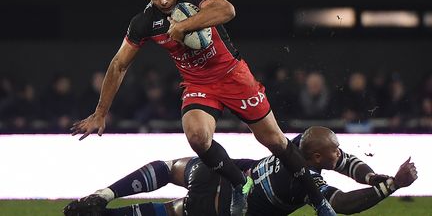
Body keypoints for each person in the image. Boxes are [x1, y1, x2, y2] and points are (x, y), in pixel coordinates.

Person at [69, 0, 334, 215]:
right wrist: (100, 113)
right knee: (197, 137)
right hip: (198, 84)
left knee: (275, 142)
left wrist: (185, 26)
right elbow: (119, 64)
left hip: (234, 76)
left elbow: (227, 10)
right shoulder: (144, 22)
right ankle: (240, 182)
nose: (162, 0)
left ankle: (319, 202)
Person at [63, 126, 418, 216]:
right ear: (315, 159)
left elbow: (345, 161)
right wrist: (391, 187)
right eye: (333, 152)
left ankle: (103, 195)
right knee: (172, 211)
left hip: (225, 173)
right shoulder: (305, 182)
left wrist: (373, 177)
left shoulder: (297, 145)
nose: (340, 155)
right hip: (223, 207)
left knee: (169, 168)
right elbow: (341, 204)